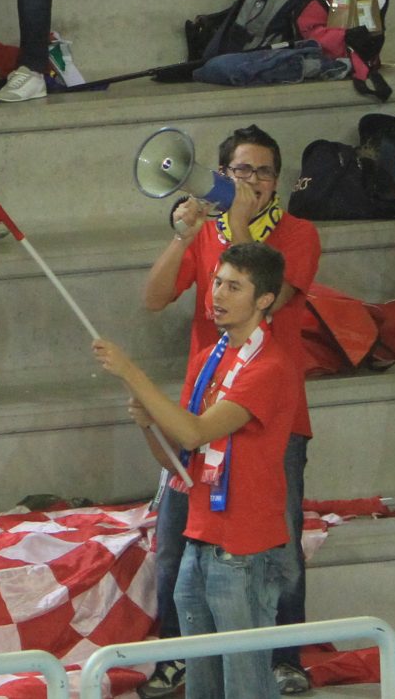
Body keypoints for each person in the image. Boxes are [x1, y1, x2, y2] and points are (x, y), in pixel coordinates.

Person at [141, 128, 319, 695]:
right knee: (175, 541)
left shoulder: (299, 234)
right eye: (241, 171)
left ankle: (283, 656)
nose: (253, 182)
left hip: (269, 415)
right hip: (200, 411)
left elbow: (278, 296)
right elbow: (152, 298)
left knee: (280, 547)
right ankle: (180, 656)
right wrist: (184, 238)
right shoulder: (207, 234)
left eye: (264, 172)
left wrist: (235, 225)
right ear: (223, 172)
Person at [96, 242, 299, 699]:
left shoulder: (269, 366)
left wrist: (133, 372)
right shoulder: (208, 357)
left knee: (245, 685)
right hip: (200, 537)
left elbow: (194, 432)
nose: (218, 294)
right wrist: (148, 423)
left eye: (234, 286)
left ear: (264, 299)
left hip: (245, 547)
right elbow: (176, 460)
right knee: (202, 685)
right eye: (216, 282)